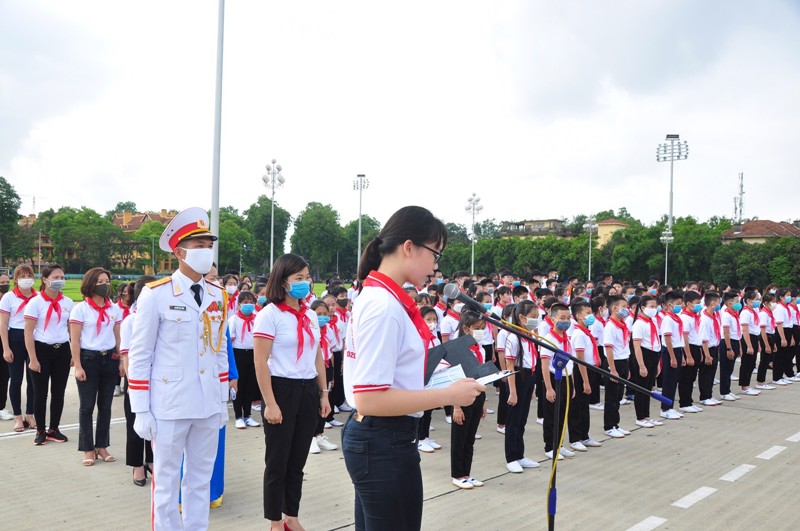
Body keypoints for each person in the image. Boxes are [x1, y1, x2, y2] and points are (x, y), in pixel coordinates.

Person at [341, 206, 484, 531]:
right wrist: (448, 394)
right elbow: (370, 399)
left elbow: (393, 374)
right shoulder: (384, 306)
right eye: (435, 254)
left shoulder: (380, 297)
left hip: (382, 438)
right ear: (409, 247)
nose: (436, 266)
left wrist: (445, 377)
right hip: (383, 439)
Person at [127, 207, 229, 530]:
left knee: (200, 481)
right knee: (167, 485)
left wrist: (223, 399)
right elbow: (140, 356)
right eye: (198, 245)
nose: (205, 250)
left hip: (208, 403)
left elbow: (220, 352)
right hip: (169, 405)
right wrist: (140, 409)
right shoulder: (155, 295)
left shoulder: (219, 295)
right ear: (179, 251)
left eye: (208, 244)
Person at [253, 253, 330, 530]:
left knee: (297, 461)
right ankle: (275, 521)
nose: (305, 283)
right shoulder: (268, 315)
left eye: (307, 277)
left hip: (308, 390)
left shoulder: (310, 314)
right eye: (298, 278)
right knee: (277, 463)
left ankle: (291, 517)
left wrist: (323, 392)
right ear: (282, 281)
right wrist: (270, 403)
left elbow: (317, 355)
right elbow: (260, 362)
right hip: (281, 391)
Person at [69, 267, 123, 465]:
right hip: (88, 359)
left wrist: (122, 361)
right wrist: (78, 366)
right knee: (87, 406)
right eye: (100, 281)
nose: (105, 285)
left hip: (109, 359)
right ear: (90, 284)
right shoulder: (80, 309)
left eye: (107, 281)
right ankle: (87, 448)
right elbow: (74, 340)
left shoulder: (114, 309)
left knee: (106, 406)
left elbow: (118, 336)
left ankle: (102, 446)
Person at [24, 263, 75, 445]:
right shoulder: (35, 303)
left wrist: (72, 355)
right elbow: (28, 332)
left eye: (62, 277)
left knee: (58, 392)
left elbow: (71, 331)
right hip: (41, 350)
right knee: (41, 393)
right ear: (45, 280)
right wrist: (33, 358)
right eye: (55, 278)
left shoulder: (68, 302)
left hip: (62, 350)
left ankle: (54, 428)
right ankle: (40, 430)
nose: (59, 281)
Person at [119, 275, 156, 487]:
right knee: (135, 424)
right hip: (137, 379)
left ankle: (151, 460)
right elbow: (127, 356)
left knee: (155, 424)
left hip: (159, 378)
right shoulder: (130, 321)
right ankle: (137, 465)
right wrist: (134, 384)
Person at [450, 312, 487, 489]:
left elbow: (482, 377)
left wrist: (484, 402)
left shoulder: (480, 348)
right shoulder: (459, 350)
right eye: (477, 329)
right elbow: (455, 379)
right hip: (462, 398)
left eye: (483, 328)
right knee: (459, 438)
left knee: (470, 438)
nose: (481, 332)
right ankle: (457, 474)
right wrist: (456, 407)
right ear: (466, 329)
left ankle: (467, 473)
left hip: (478, 395)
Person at [503, 300, 541, 471]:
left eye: (537, 317)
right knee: (513, 421)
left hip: (529, 376)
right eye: (533, 317)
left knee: (522, 420)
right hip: (517, 379)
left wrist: (531, 386)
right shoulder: (513, 337)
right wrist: (512, 391)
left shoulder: (530, 336)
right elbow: (510, 366)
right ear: (521, 317)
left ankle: (520, 454)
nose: (536, 320)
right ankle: (511, 458)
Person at [0, 265, 37, 430]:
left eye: (29, 274)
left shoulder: (38, 298)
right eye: (22, 275)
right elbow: (3, 323)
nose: (26, 277)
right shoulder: (9, 297)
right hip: (15, 338)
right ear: (16, 279)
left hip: (35, 339)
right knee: (15, 380)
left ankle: (30, 414)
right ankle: (17, 416)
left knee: (33, 380)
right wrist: (6, 348)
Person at [569, 300, 602, 450]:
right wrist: (586, 381)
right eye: (587, 313)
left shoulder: (586, 332)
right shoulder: (578, 334)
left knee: (584, 405)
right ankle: (575, 438)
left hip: (589, 369)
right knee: (577, 406)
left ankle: (585, 436)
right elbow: (580, 359)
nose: (590, 316)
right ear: (578, 316)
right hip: (581, 371)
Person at [308, 298, 340, 454]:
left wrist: (332, 374)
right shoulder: (309, 327)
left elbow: (331, 353)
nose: (322, 316)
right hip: (312, 369)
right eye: (318, 313)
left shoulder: (330, 329)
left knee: (325, 403)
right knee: (313, 403)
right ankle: (310, 438)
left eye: (325, 314)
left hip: (326, 368)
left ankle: (320, 434)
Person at [630, 295, 663, 427]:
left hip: (654, 355)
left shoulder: (653, 321)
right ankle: (640, 417)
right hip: (644, 355)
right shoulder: (639, 324)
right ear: (643, 308)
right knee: (641, 388)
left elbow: (657, 341)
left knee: (649, 388)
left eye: (655, 306)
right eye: (651, 307)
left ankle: (647, 415)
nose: (654, 309)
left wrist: (658, 363)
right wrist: (641, 365)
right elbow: (636, 346)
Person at [229, 291, 261, 429]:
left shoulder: (258, 318)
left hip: (253, 353)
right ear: (239, 304)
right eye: (245, 302)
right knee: (239, 386)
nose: (248, 305)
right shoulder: (234, 320)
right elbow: (230, 340)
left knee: (250, 385)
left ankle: (247, 415)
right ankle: (238, 416)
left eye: (250, 302)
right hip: (238, 353)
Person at [602, 295, 632, 438]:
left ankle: (615, 424)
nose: (627, 310)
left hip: (623, 361)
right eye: (624, 307)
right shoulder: (610, 326)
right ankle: (609, 426)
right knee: (612, 396)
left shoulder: (622, 325)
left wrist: (627, 368)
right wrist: (612, 370)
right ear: (614, 308)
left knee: (619, 395)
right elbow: (609, 349)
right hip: (614, 363)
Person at [659, 291, 687, 419]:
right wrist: (673, 357)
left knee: (674, 381)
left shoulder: (676, 318)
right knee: (668, 381)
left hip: (677, 350)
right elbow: (668, 339)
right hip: (670, 351)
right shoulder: (668, 319)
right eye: (678, 304)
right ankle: (665, 409)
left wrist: (681, 355)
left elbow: (678, 339)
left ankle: (670, 406)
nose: (680, 306)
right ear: (669, 305)